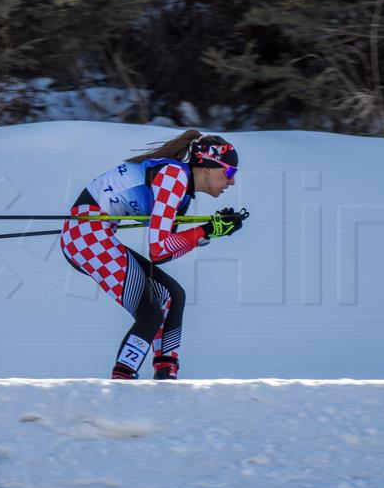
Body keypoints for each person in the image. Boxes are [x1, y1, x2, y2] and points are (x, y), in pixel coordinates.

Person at [60, 130, 248, 380]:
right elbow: (159, 248)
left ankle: (166, 372)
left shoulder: (181, 194)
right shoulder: (174, 177)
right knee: (150, 312)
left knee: (173, 296)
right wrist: (207, 229)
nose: (232, 181)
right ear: (207, 166)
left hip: (91, 232)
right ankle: (122, 380)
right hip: (85, 232)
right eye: (229, 172)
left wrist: (210, 232)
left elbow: (163, 253)